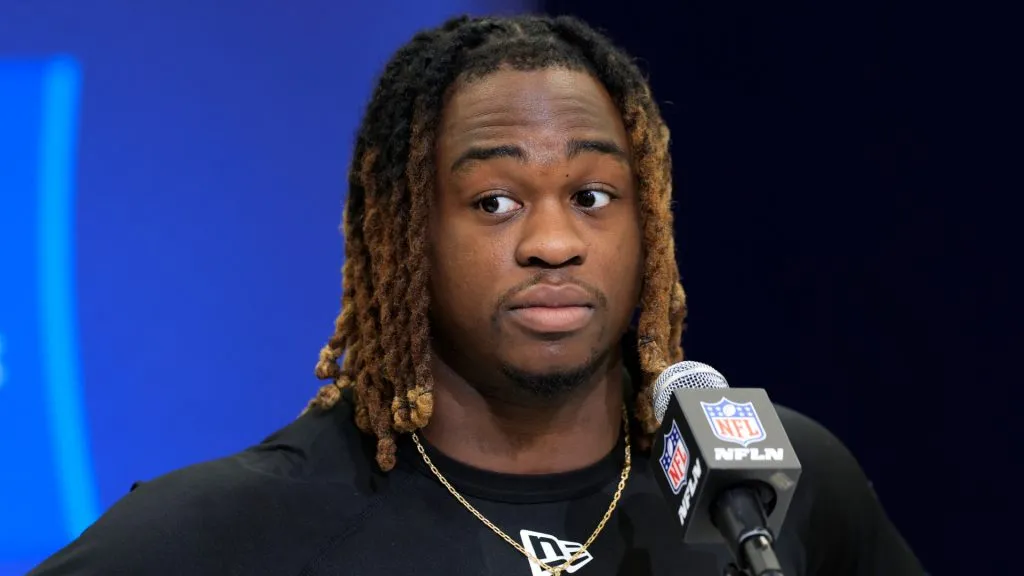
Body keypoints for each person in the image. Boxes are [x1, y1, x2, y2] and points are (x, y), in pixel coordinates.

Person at [29, 14, 925, 576]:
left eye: (592, 197)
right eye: (494, 202)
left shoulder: (774, 493)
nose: (553, 242)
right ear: (405, 231)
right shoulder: (239, 531)